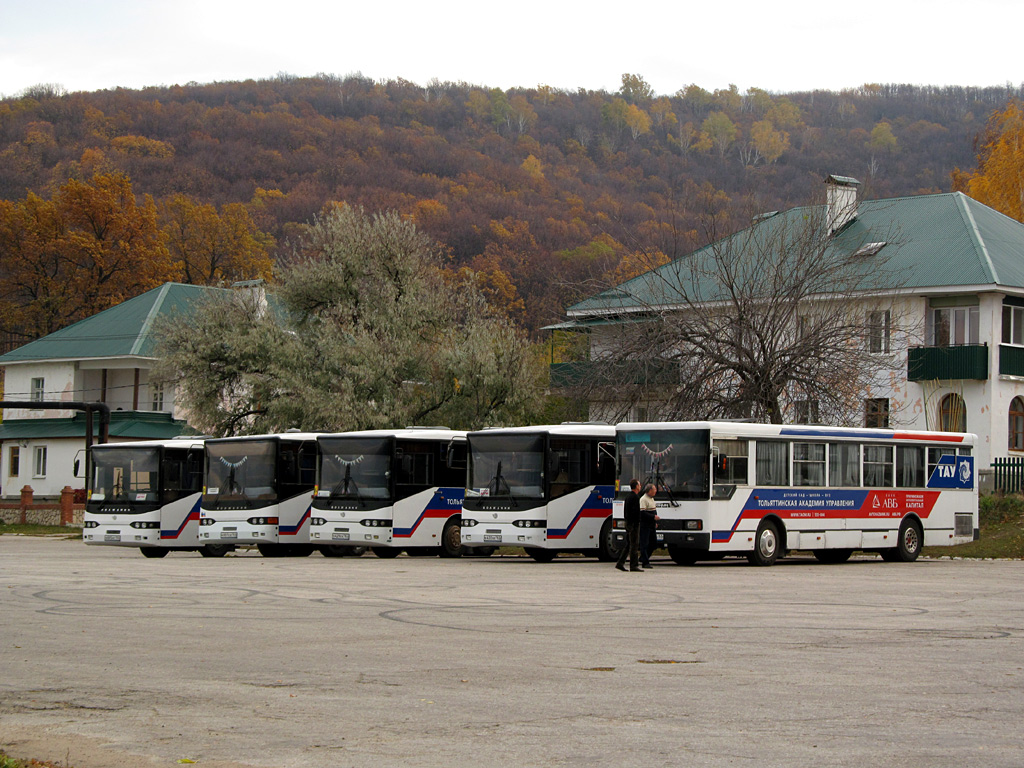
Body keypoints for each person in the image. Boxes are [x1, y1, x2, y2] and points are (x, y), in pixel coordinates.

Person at [615, 479, 643, 572]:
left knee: (628, 544)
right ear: (636, 486)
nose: (640, 486)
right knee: (634, 545)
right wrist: (636, 522)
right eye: (639, 485)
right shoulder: (635, 497)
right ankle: (633, 565)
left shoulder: (628, 497)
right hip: (633, 524)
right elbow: (634, 512)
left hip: (628, 523)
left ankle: (620, 563)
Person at [638, 483, 660, 568]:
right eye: (654, 489)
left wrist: (655, 522)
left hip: (651, 524)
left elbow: (653, 510)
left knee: (653, 544)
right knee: (644, 543)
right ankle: (645, 562)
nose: (656, 491)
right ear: (650, 490)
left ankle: (643, 557)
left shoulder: (652, 499)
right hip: (645, 525)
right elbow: (642, 513)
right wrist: (653, 517)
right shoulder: (643, 499)